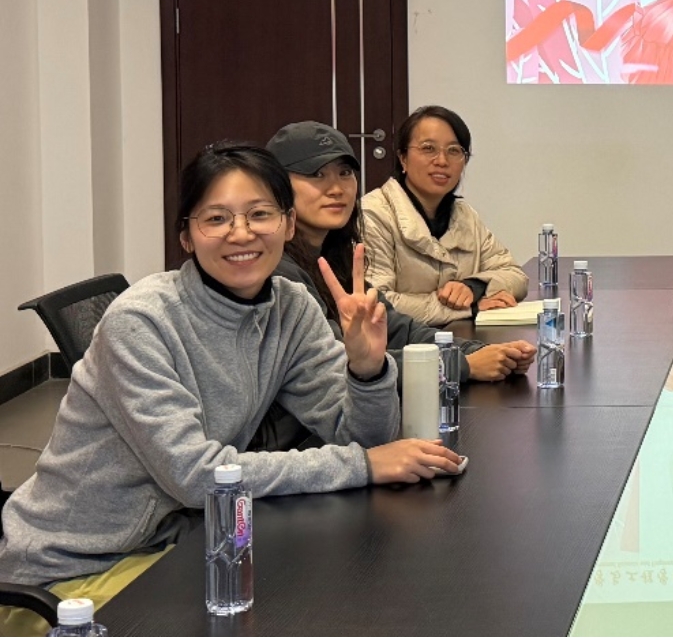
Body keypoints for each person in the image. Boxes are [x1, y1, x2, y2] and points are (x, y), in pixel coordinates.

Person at [0, 144, 459, 592]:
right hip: (76, 566)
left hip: (180, 537)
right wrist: (359, 464)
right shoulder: (140, 322)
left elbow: (368, 441)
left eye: (259, 214)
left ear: (288, 223)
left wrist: (367, 369)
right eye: (217, 218)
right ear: (186, 236)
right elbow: (198, 477)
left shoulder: (290, 308)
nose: (241, 234)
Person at [268, 121, 535, 385]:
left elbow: (398, 328)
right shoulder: (277, 269)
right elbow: (336, 364)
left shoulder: (337, 255)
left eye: (345, 173)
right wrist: (460, 364)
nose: (337, 189)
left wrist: (478, 351)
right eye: (317, 175)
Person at [362, 106, 528, 327]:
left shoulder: (464, 215)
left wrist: (474, 287)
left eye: (454, 150)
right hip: (400, 345)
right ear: (403, 158)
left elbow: (515, 276)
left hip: (457, 338)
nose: (442, 160)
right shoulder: (374, 213)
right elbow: (376, 303)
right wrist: (468, 308)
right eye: (428, 148)